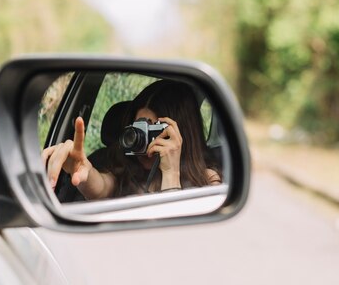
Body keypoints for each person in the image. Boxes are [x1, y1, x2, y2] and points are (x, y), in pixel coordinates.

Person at [42, 80, 221, 200]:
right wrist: (83, 173)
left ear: (180, 136)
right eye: (138, 130)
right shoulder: (126, 171)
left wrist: (171, 174)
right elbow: (101, 187)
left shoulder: (207, 180)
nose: (143, 140)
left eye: (152, 131)